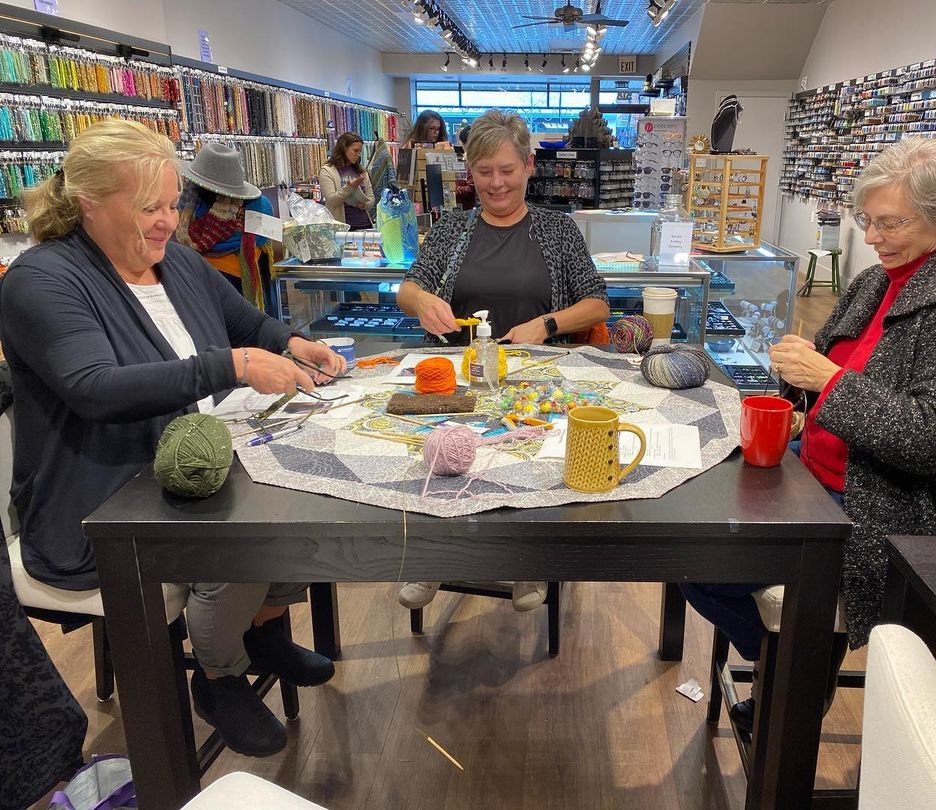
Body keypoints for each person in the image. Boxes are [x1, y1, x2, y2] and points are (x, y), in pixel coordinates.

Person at [0, 119, 348, 758]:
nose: (166, 221)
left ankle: (264, 632)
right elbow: (96, 387)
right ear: (88, 205)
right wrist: (234, 366)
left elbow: (245, 319)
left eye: (170, 204)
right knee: (245, 513)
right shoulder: (42, 282)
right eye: (147, 209)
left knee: (291, 487)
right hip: (98, 502)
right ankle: (218, 676)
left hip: (175, 462)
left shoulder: (175, 261)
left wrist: (292, 343)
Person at [681, 134, 936, 734]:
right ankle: (798, 664)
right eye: (868, 220)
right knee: (693, 523)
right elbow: (827, 381)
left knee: (705, 560)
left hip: (886, 507)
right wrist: (803, 389)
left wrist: (828, 381)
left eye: (890, 224)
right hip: (818, 468)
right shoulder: (880, 279)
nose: (873, 237)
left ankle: (800, 668)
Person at [396, 109, 609, 611]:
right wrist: (423, 302)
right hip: (457, 378)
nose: (496, 183)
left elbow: (598, 302)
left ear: (529, 166)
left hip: (537, 379)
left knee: (528, 464)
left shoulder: (558, 231)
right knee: (443, 458)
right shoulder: (452, 230)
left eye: (507, 170)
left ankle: (528, 559)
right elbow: (408, 287)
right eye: (485, 171)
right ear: (470, 172)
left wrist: (548, 324)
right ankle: (435, 558)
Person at [174, 142, 274, 310]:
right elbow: (263, 240)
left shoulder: (185, 202)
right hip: (221, 284)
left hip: (210, 282)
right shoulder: (257, 205)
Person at [318, 132, 374, 230]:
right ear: (344, 149)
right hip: (342, 228)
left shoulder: (361, 172)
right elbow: (331, 201)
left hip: (365, 225)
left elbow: (371, 197)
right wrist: (350, 188)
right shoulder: (328, 171)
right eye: (355, 151)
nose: (358, 155)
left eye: (360, 151)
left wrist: (366, 205)